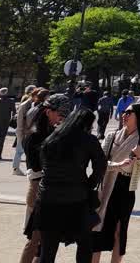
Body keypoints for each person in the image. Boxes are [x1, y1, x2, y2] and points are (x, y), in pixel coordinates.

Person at [30, 106, 106, 263]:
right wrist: (89, 184)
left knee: (48, 249)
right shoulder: (88, 139)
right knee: (84, 245)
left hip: (48, 197)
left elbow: (43, 164)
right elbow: (101, 166)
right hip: (76, 198)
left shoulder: (53, 137)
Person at [91, 102, 140, 263]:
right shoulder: (112, 136)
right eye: (124, 112)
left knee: (119, 230)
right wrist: (117, 165)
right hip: (107, 186)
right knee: (98, 227)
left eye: (129, 113)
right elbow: (100, 163)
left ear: (138, 117)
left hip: (126, 188)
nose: (124, 115)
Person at [22, 93, 71, 263]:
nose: (62, 118)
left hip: (50, 189)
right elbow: (39, 167)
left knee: (44, 243)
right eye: (60, 113)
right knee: (35, 241)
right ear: (48, 111)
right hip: (38, 188)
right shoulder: (35, 135)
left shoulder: (52, 132)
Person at [13, 86, 40, 175]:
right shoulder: (25, 104)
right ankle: (15, 168)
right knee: (20, 150)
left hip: (28, 131)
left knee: (23, 150)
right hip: (23, 131)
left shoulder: (33, 103)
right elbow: (20, 120)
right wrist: (22, 131)